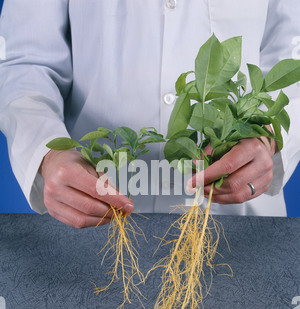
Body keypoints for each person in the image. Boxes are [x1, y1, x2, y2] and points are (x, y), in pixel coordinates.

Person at [0, 0, 299, 228]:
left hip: (240, 221)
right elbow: (26, 63)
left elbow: (293, 61)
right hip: (95, 208)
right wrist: (48, 152)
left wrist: (267, 138)